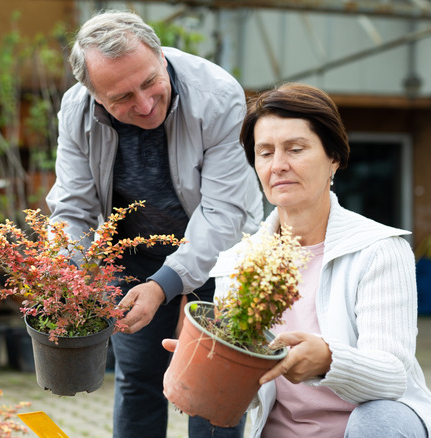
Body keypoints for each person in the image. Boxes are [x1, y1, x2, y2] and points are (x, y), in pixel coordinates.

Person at [45, 9, 263, 438]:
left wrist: (167, 284)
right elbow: (73, 209)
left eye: (149, 83)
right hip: (135, 255)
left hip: (221, 250)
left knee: (212, 382)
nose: (143, 105)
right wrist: (66, 275)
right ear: (93, 95)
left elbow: (222, 213)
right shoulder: (77, 111)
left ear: (161, 57)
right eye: (122, 98)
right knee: (139, 376)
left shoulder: (218, 96)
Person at [204, 82, 431, 437]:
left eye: (296, 149)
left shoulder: (378, 248)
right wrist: (206, 362)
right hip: (282, 430)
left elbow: (392, 374)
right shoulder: (239, 262)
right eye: (265, 153)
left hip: (373, 426)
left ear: (333, 158)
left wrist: (328, 359)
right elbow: (237, 396)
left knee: (379, 420)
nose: (278, 165)